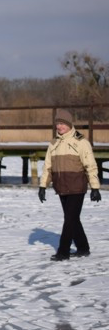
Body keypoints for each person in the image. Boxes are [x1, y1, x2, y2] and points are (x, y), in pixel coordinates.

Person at [38, 109, 101, 261]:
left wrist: (95, 187)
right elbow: (48, 166)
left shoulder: (81, 142)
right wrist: (42, 186)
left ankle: (63, 251)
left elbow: (90, 166)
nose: (59, 127)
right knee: (72, 218)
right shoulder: (53, 143)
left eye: (62, 124)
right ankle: (83, 248)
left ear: (69, 124)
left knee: (69, 219)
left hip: (77, 187)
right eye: (57, 124)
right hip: (61, 187)